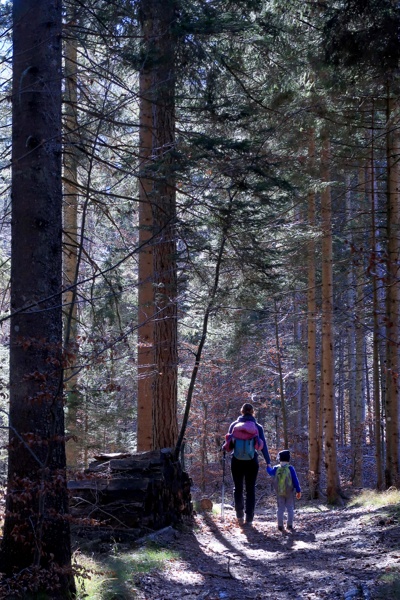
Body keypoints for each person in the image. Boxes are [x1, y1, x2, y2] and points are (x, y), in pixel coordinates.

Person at [223, 403, 271, 526]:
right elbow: (263, 446)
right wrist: (268, 462)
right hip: (252, 461)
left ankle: (239, 515)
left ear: (242, 411)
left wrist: (224, 449)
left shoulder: (234, 425)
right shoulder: (257, 427)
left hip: (236, 461)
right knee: (250, 490)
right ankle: (249, 518)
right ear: (252, 412)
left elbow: (229, 445)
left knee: (238, 488)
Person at [267, 449, 301, 532]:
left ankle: (280, 525)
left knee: (280, 508)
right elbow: (295, 480)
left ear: (279, 459)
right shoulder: (291, 468)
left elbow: (270, 472)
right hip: (289, 491)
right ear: (288, 459)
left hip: (279, 492)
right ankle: (289, 525)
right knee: (290, 508)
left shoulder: (276, 468)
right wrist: (298, 490)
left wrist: (268, 467)